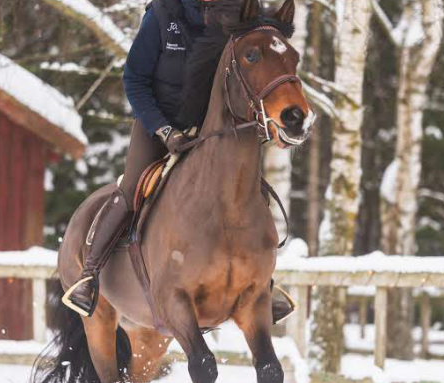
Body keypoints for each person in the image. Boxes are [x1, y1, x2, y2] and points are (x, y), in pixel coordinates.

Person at [64, 0, 294, 324]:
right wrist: (164, 129)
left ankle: (262, 285)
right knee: (131, 190)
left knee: (250, 193)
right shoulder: (161, 15)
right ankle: (88, 275)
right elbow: (134, 79)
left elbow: (248, 76)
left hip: (209, 130)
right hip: (158, 124)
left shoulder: (235, 17)